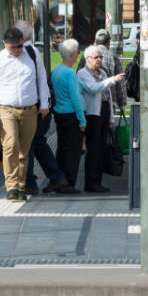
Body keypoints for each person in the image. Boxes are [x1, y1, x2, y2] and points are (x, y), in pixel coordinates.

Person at [0, 28, 50, 201]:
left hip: (29, 109)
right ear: (5, 44)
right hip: (6, 109)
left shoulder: (32, 53)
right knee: (10, 144)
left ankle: (21, 186)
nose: (18, 50)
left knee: (24, 151)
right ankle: (11, 186)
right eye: (13, 48)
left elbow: (42, 79)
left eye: (20, 46)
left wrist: (44, 104)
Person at [15, 20, 68, 197]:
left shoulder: (25, 52)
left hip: (34, 108)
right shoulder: (33, 51)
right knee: (37, 143)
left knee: (29, 145)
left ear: (21, 36)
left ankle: (30, 183)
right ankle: (56, 177)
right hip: (39, 107)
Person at [77, 44, 125, 193]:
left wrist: (111, 117)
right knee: (93, 149)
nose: (99, 60)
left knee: (101, 147)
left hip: (103, 112)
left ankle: (97, 181)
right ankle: (91, 183)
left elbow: (108, 97)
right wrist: (112, 79)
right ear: (87, 59)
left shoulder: (103, 73)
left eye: (100, 57)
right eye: (95, 57)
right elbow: (93, 89)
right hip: (92, 114)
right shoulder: (83, 74)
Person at [50, 38, 85, 193]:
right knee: (73, 151)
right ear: (72, 54)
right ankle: (69, 183)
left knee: (62, 148)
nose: (78, 54)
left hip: (59, 113)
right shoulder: (70, 73)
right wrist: (82, 119)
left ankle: (60, 179)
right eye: (77, 52)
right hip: (72, 115)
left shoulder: (56, 70)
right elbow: (75, 97)